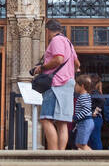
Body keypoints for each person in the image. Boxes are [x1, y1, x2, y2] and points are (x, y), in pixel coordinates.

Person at [31, 18, 77, 150]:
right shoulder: (68, 42)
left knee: (46, 119)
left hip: (56, 84)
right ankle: (60, 155)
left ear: (47, 30)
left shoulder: (56, 40)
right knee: (62, 122)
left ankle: (52, 153)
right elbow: (77, 63)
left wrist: (42, 68)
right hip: (68, 83)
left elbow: (58, 59)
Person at [73, 74, 95, 150]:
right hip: (83, 122)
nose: (75, 86)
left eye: (76, 84)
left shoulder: (84, 96)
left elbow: (86, 109)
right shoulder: (84, 96)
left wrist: (76, 117)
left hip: (85, 122)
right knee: (78, 144)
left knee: (82, 144)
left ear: (82, 86)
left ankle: (94, 158)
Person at [88, 73, 106, 150]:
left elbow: (103, 101)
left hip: (95, 118)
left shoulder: (94, 92)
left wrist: (96, 112)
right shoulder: (94, 92)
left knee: (95, 138)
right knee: (92, 138)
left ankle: (99, 156)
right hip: (94, 119)